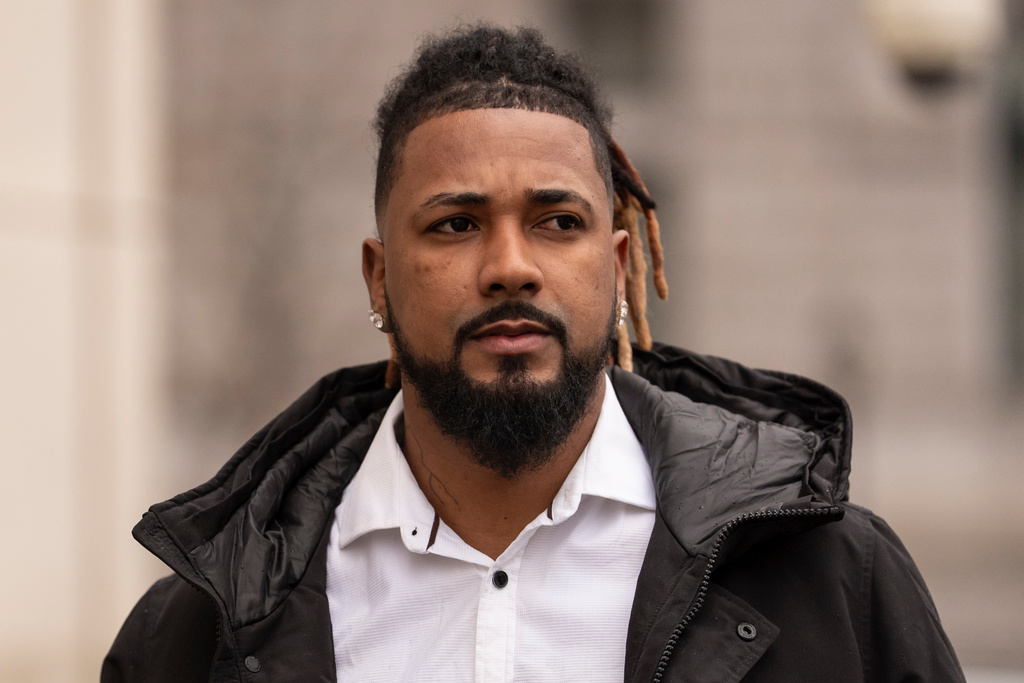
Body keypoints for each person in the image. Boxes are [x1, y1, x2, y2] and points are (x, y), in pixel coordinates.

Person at [102, 25, 964, 683]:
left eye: (558, 222)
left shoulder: (835, 581)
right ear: (379, 280)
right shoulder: (196, 635)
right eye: (455, 223)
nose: (511, 266)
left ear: (620, 268)